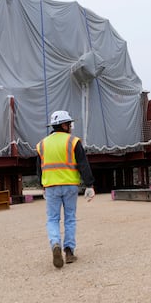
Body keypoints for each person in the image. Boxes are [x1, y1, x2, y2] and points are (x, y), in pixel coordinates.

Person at [36, 110, 95, 268]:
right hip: (70, 186)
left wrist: (42, 186)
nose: (71, 126)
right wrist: (89, 185)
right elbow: (83, 164)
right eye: (69, 124)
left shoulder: (42, 144)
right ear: (63, 125)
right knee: (70, 218)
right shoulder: (73, 142)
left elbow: (39, 169)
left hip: (51, 187)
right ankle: (69, 251)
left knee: (52, 219)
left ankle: (55, 243)